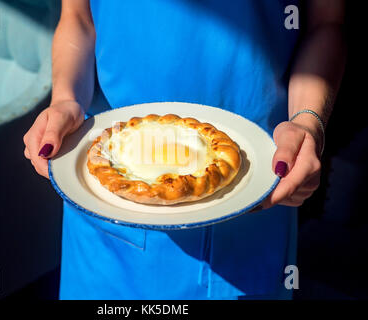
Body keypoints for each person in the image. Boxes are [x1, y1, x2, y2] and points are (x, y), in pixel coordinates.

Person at [23, 0, 345, 299]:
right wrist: (66, 99)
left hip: (255, 195)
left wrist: (307, 123)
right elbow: (78, 18)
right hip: (108, 221)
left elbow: (326, 23)